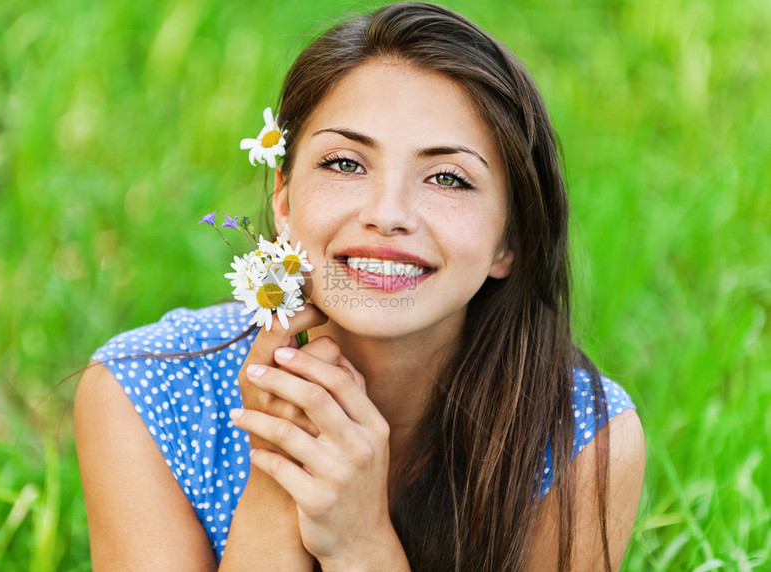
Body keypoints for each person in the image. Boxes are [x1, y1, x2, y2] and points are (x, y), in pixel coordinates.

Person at [74, 2, 645, 570]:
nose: (388, 213)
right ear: (284, 199)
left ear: (508, 240)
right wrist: (277, 476)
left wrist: (360, 545)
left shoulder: (582, 442)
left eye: (447, 177)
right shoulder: (146, 391)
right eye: (346, 163)